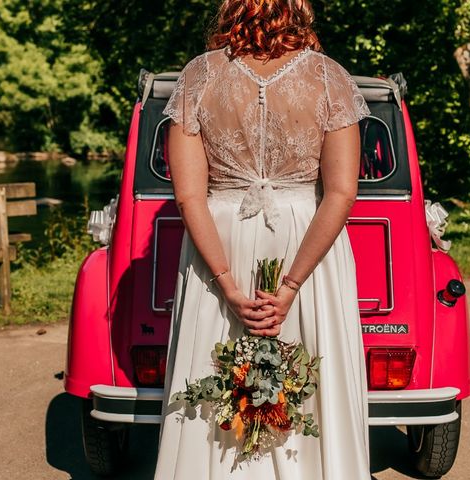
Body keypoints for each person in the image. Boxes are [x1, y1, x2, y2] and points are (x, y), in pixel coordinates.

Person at [154, 0, 371, 478]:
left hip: (222, 237)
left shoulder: (198, 78)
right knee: (314, 368)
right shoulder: (330, 78)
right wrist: (291, 287)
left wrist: (228, 286)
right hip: (306, 242)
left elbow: (189, 197)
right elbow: (341, 192)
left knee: (213, 368)